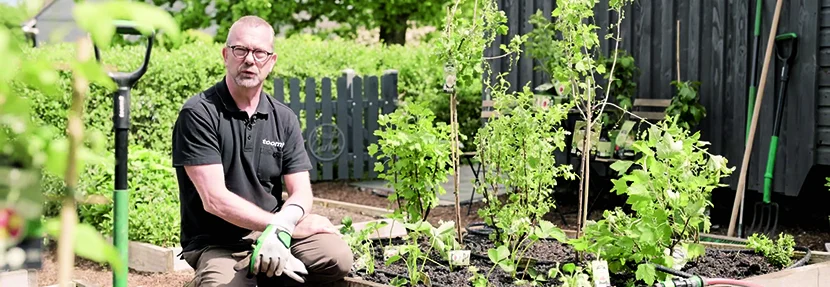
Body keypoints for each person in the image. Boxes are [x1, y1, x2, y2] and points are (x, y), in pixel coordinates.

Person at [172, 15, 353, 287]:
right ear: (225, 54)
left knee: (337, 257)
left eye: (259, 52)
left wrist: (284, 227)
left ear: (272, 61)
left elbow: (301, 191)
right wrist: (279, 225)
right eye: (240, 50)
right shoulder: (199, 114)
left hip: (275, 232)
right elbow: (215, 200)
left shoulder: (284, 118)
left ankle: (268, 270)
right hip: (218, 243)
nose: (249, 60)